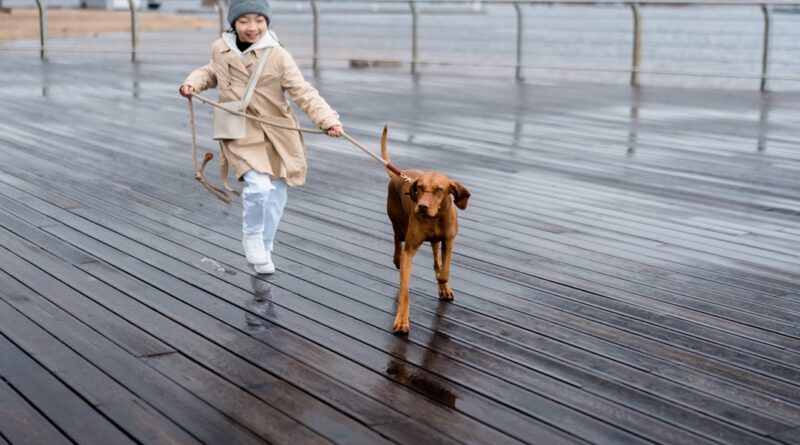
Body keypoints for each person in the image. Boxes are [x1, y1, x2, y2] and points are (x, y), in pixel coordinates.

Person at [179, 0, 343, 274]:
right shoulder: (220, 48)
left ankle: (265, 245)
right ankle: (252, 236)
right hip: (235, 124)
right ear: (233, 22)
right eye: (244, 21)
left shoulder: (278, 55)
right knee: (259, 187)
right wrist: (192, 82)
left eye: (259, 20)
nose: (252, 27)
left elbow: (303, 92)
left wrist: (328, 120)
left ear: (267, 21)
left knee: (277, 191)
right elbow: (210, 72)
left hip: (277, 128)